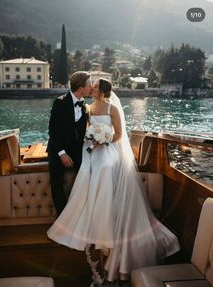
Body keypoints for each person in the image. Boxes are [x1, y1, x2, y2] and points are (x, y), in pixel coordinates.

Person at [47, 78, 180, 286]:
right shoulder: (88, 108)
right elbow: (83, 131)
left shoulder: (113, 109)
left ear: (102, 91)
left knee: (106, 167)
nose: (92, 88)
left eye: (95, 87)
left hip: (109, 149)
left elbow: (119, 134)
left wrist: (104, 140)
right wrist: (92, 140)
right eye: (90, 85)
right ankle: (90, 217)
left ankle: (108, 219)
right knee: (89, 168)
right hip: (92, 149)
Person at [47, 71, 92, 216]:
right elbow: (53, 131)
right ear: (81, 87)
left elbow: (82, 134)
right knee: (56, 182)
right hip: (58, 149)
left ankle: (80, 214)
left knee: (87, 176)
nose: (91, 87)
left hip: (76, 150)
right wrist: (62, 154)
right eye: (89, 85)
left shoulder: (84, 105)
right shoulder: (60, 102)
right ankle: (62, 217)